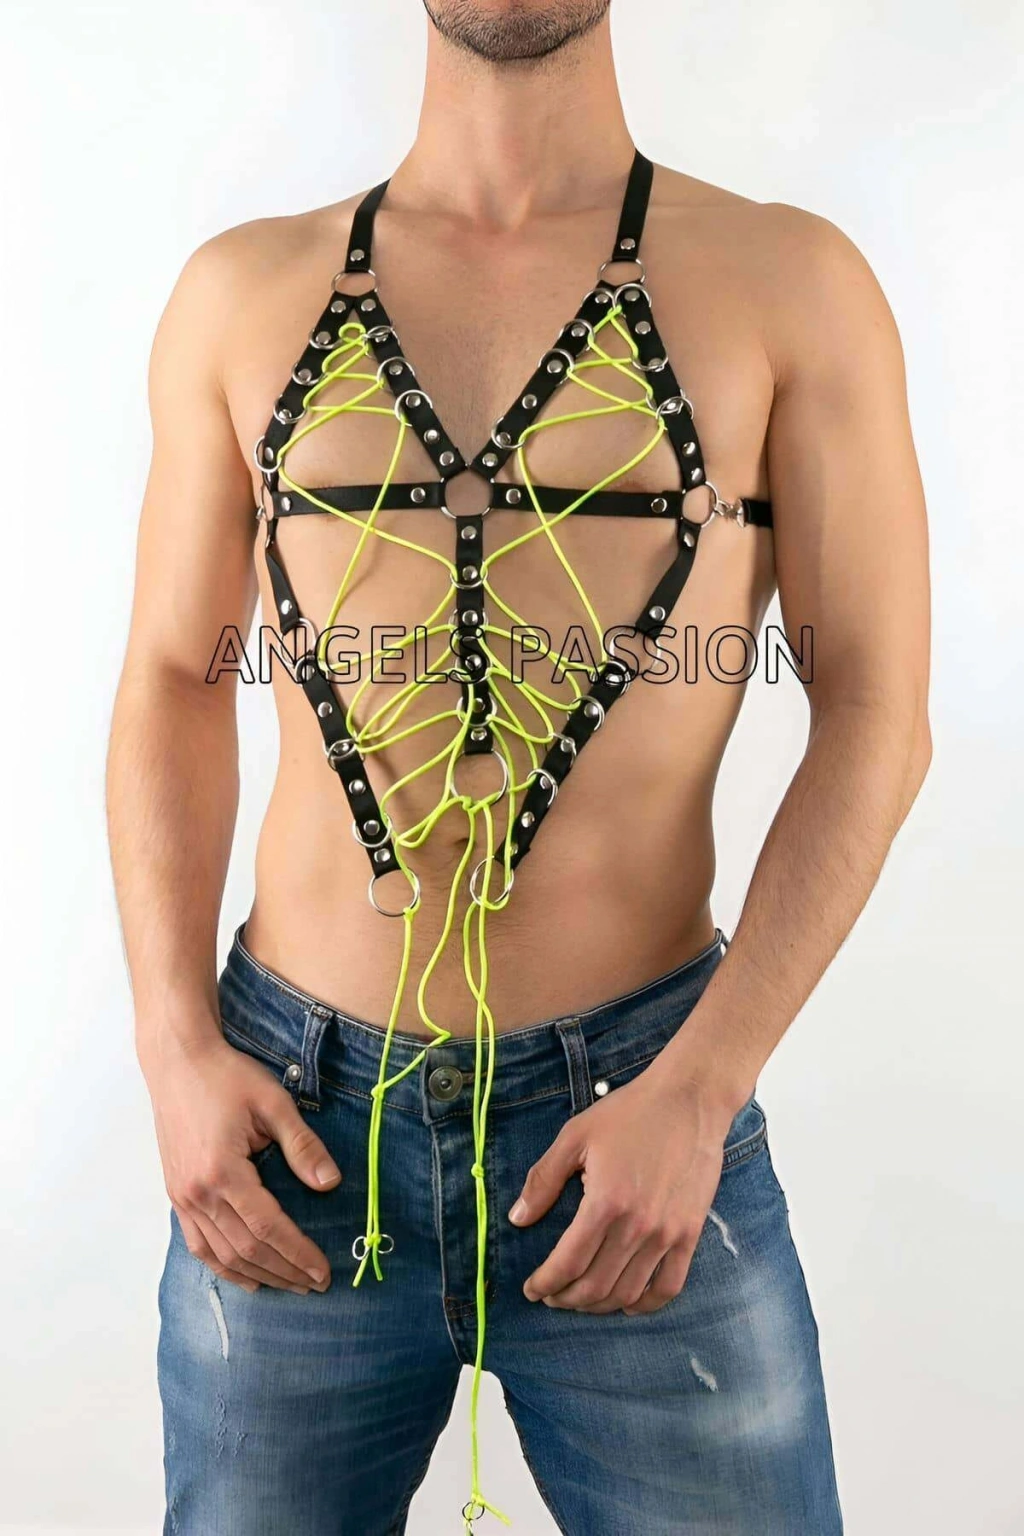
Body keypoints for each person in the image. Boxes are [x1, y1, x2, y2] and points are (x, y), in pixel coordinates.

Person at [106, 2, 931, 1532]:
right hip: (293, 1121)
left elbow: (878, 709)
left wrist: (705, 1088)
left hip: (645, 1113)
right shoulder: (244, 292)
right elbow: (171, 675)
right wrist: (171, 1048)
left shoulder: (787, 284)